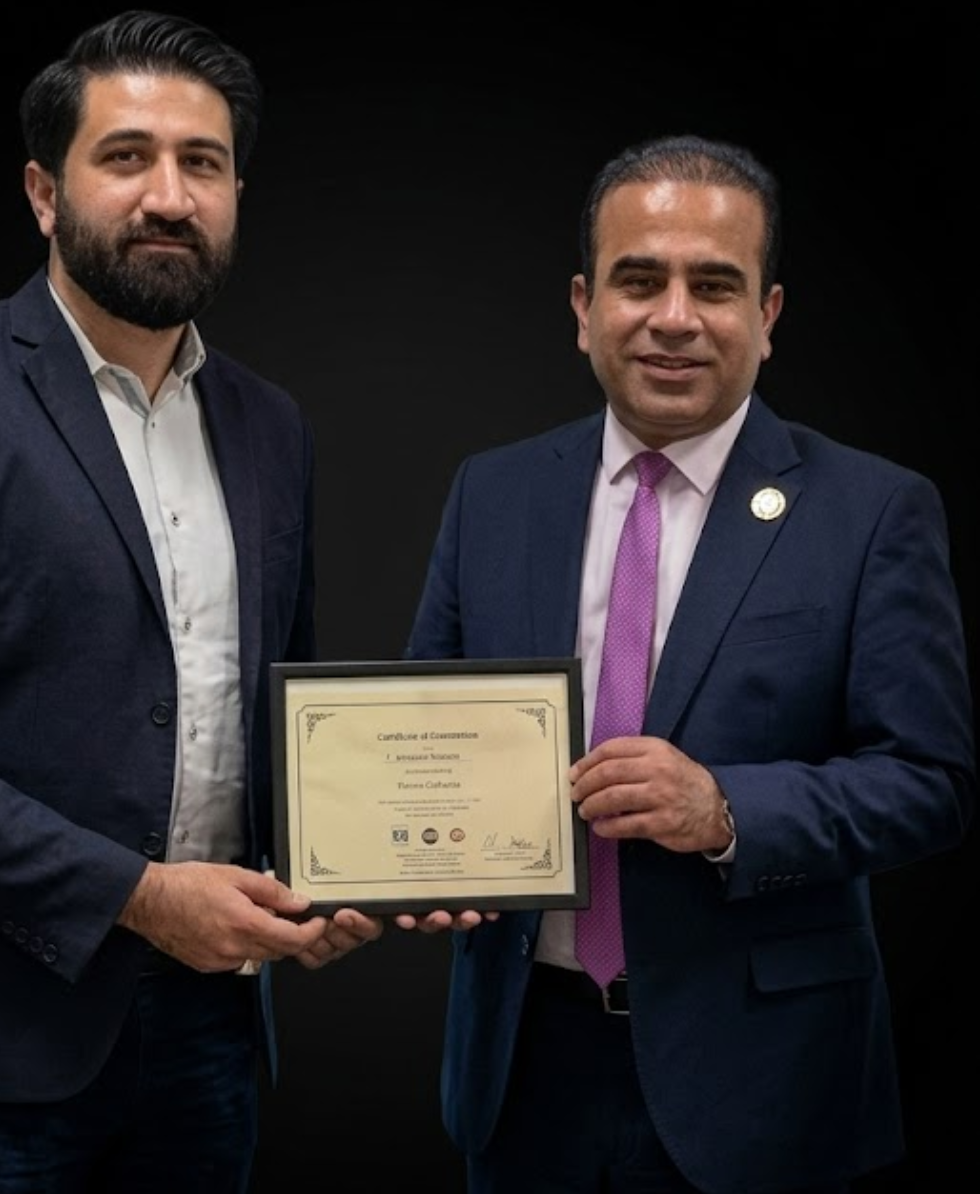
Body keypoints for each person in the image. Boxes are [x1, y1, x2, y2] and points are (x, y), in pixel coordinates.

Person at [0, 10, 382, 1192]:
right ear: (43, 191)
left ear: (235, 195)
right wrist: (140, 898)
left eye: (202, 163)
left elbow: (280, 710)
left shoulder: (270, 427)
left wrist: (334, 870)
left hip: (209, 1035)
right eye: (127, 157)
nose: (169, 195)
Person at [397, 133, 976, 1193]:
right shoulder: (495, 492)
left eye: (714, 285)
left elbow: (931, 782)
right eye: (638, 281)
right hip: (523, 1067)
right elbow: (425, 728)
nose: (674, 317)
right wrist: (420, 862)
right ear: (584, 307)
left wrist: (725, 810)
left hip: (766, 1079)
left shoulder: (873, 511)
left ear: (768, 315)